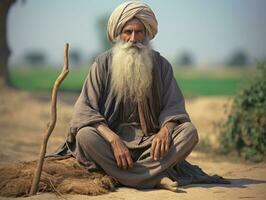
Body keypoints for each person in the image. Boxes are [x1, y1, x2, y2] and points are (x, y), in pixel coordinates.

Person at [56, 1, 228, 192]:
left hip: (151, 145)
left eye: (139, 32)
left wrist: (165, 130)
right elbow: (84, 110)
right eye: (127, 32)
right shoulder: (102, 64)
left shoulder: (161, 65)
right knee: (84, 136)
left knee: (188, 132)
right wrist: (113, 139)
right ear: (119, 34)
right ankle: (153, 177)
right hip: (111, 144)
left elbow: (174, 107)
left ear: (147, 34)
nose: (133, 38)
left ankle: (130, 177)